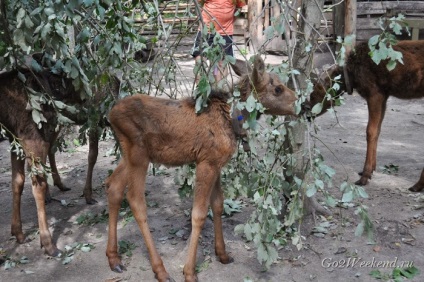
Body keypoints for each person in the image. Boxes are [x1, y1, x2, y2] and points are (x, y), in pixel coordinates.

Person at [192, 0, 246, 85]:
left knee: (219, 65)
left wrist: (228, 21)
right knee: (200, 61)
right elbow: (199, 3)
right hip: (205, 31)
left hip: (225, 32)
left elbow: (239, 8)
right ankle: (200, 92)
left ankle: (218, 90)